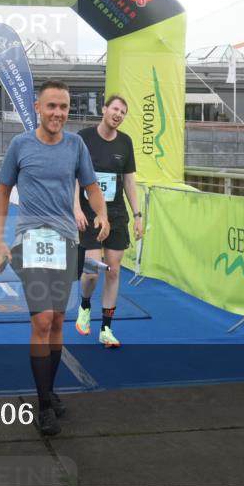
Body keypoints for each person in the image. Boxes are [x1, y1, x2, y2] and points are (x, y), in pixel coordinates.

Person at [0, 80, 109, 436]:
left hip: (65, 241)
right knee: (42, 320)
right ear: (37, 108)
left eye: (63, 107)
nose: (58, 113)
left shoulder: (75, 145)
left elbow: (91, 187)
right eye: (51, 106)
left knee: (58, 320)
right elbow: (2, 190)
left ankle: (49, 390)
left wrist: (101, 213)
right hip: (31, 240)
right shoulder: (20, 145)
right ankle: (43, 406)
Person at [74, 95, 144, 348]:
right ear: (104, 110)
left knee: (113, 270)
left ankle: (106, 328)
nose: (118, 114)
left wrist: (137, 216)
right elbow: (73, 176)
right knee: (92, 270)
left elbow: (129, 181)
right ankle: (84, 305)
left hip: (115, 214)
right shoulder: (84, 138)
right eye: (115, 109)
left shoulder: (125, 142)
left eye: (123, 112)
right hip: (89, 213)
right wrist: (75, 210)